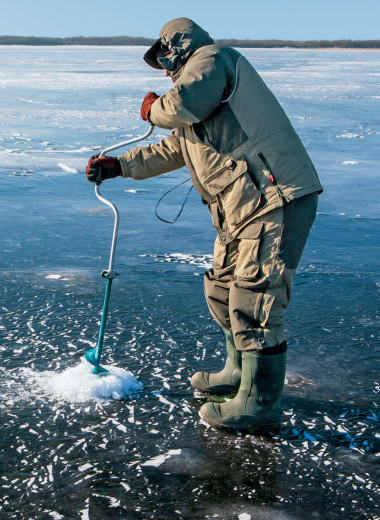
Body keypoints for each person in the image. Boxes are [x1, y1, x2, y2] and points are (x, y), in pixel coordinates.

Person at [86, 18, 323, 432]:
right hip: (240, 207)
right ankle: (237, 373)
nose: (162, 71)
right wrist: (118, 166)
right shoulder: (200, 97)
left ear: (175, 47)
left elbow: (176, 108)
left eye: (163, 60)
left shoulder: (214, 59)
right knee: (222, 289)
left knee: (255, 303)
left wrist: (151, 109)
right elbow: (171, 148)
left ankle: (259, 404)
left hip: (275, 196)